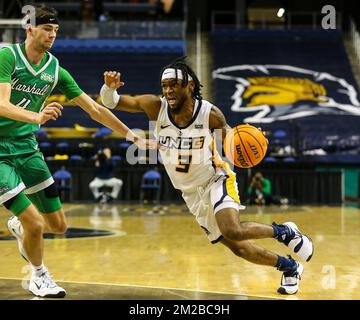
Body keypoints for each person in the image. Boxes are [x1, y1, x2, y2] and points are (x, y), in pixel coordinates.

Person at [99, 57, 314, 295]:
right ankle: (290, 268)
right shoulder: (154, 106)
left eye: (174, 85)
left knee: (232, 229)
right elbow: (113, 102)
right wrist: (109, 88)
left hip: (216, 179)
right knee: (239, 248)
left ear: (189, 86)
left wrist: (253, 137)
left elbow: (233, 141)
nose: (168, 90)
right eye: (165, 85)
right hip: (190, 193)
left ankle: (284, 231)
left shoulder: (210, 114)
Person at [0, 4, 155, 298]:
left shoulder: (55, 70)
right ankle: (39, 276)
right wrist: (37, 117)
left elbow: (95, 108)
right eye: (47, 29)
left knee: (57, 226)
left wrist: (132, 135)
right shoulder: (7, 56)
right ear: (30, 28)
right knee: (34, 222)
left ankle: (19, 227)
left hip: (26, 149)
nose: (52, 35)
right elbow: (1, 103)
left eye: (56, 30)